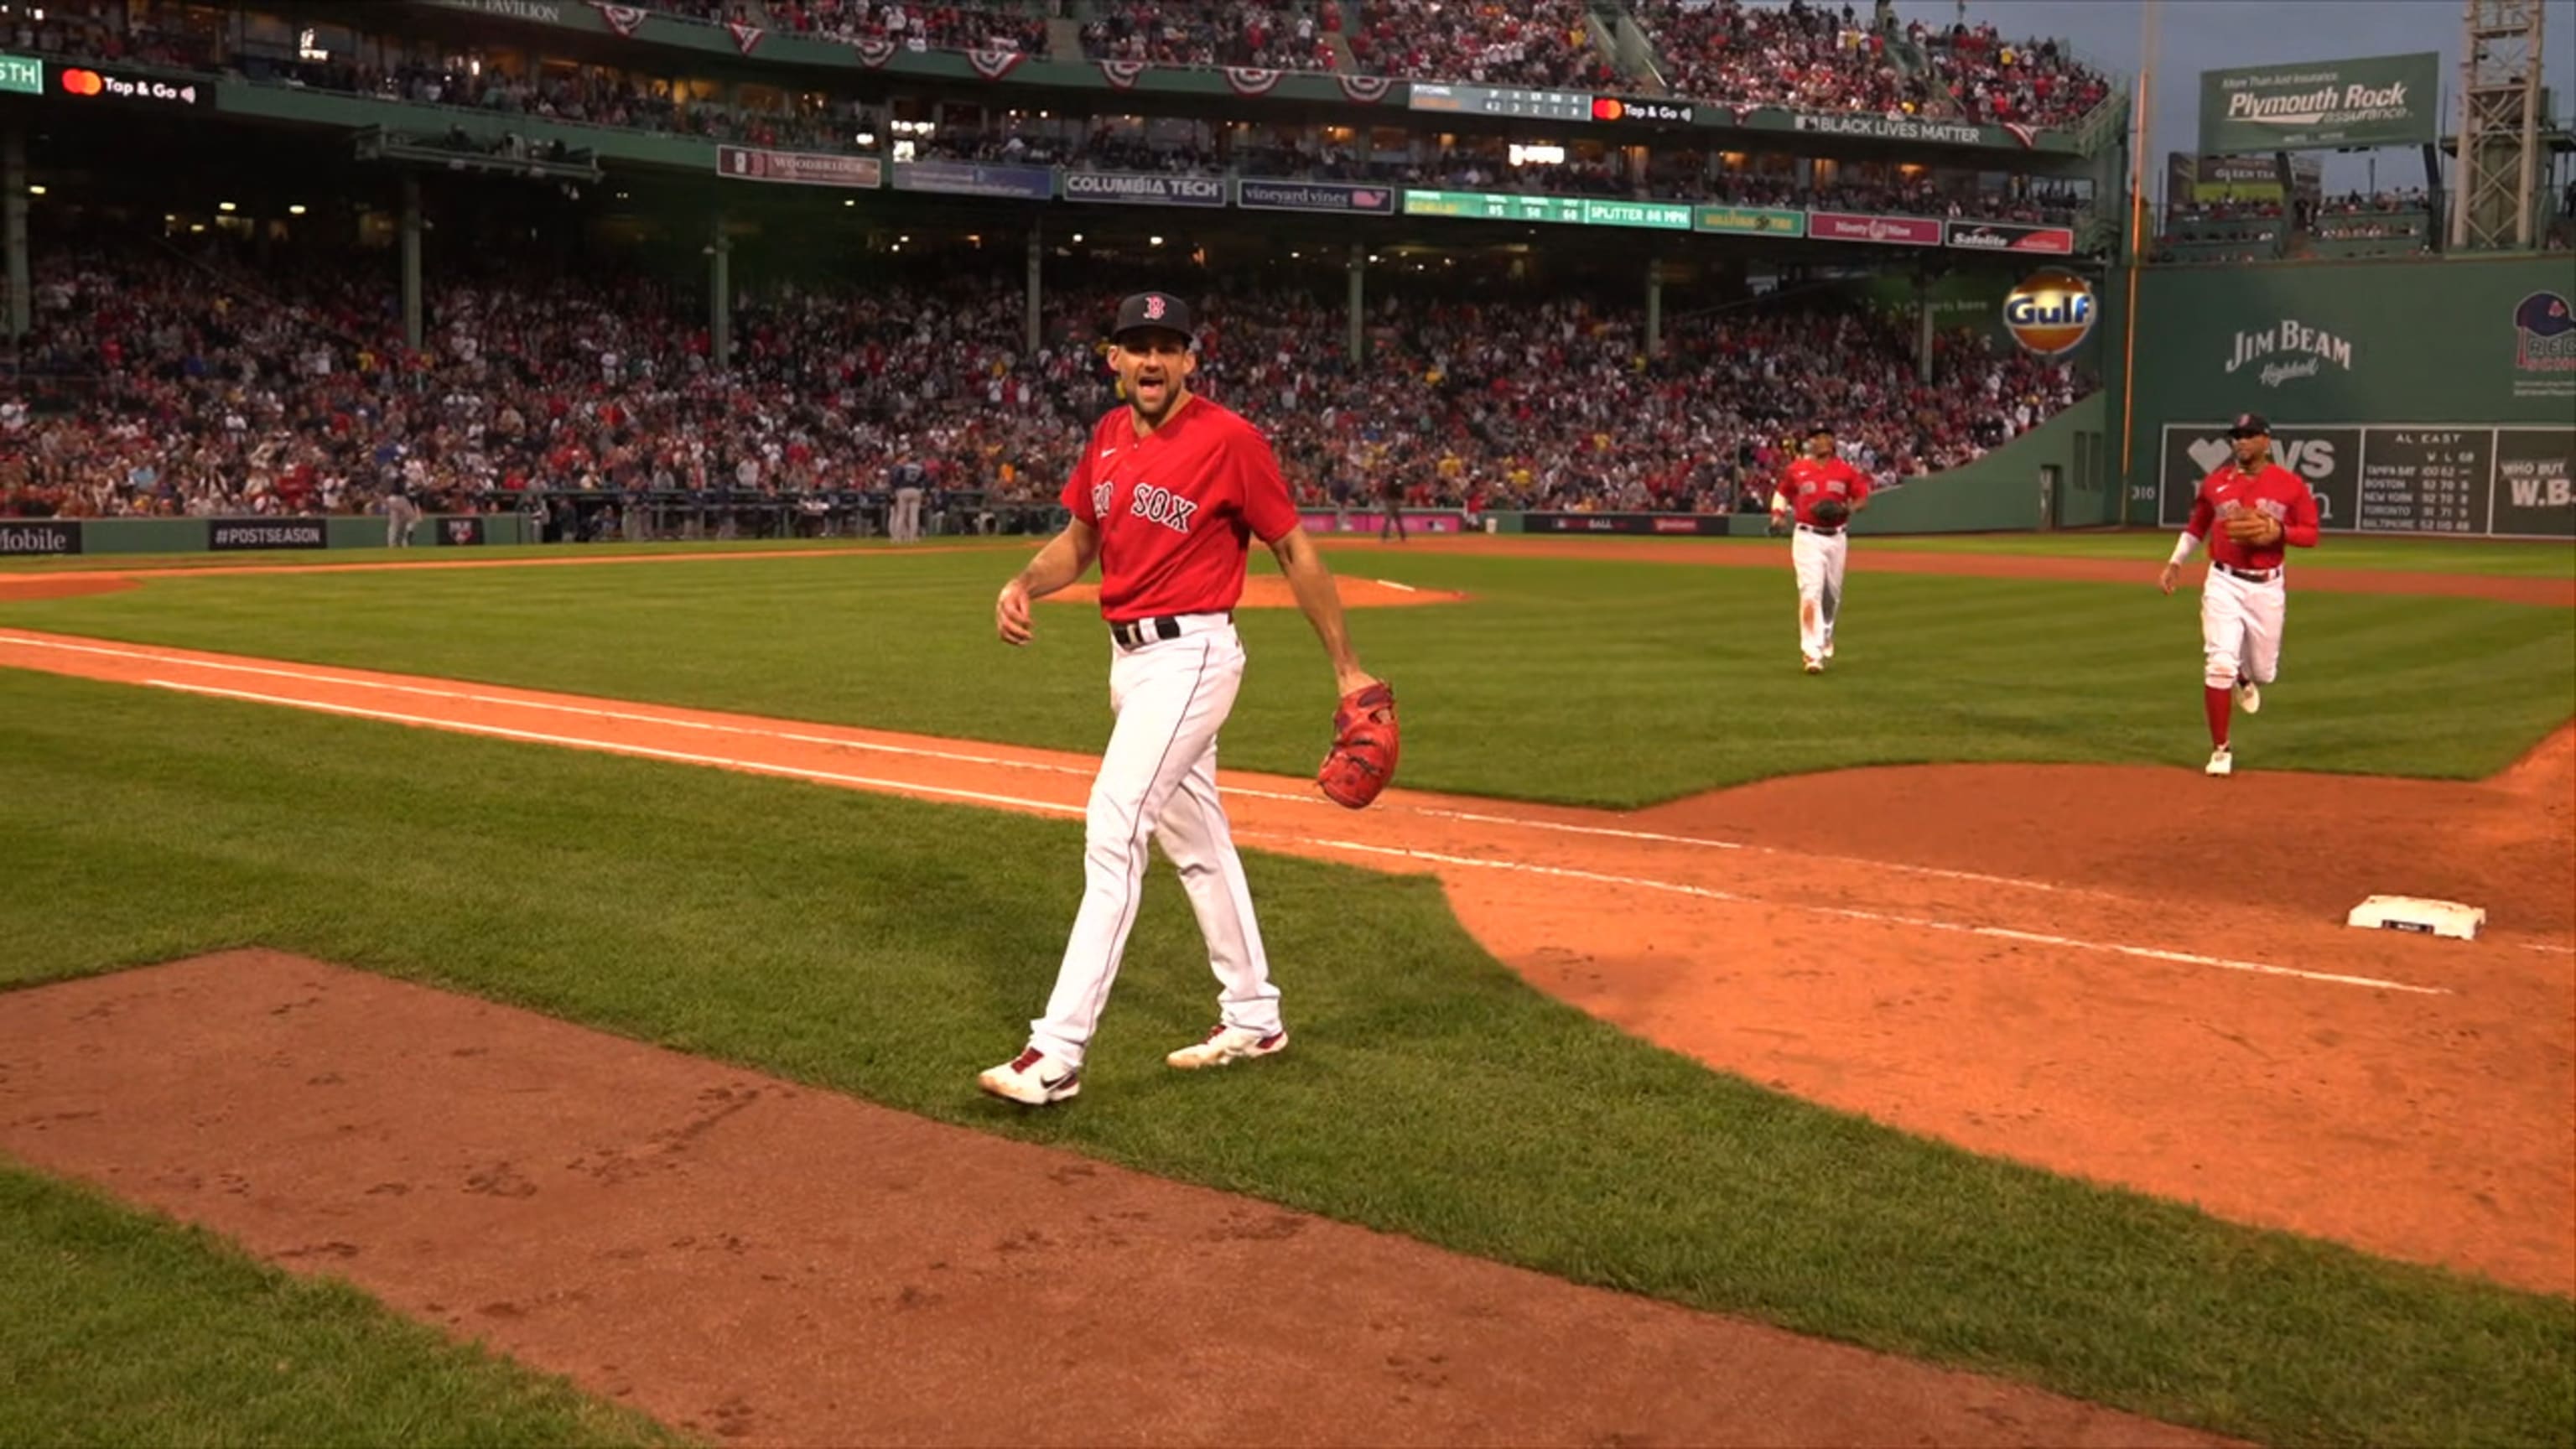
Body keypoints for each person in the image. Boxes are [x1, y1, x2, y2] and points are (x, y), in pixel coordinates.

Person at [980, 291, 1382, 1106]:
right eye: (1138, 346)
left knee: (1114, 825)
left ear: (1192, 359)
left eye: (1169, 346)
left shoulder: (1231, 440)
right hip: (1130, 665)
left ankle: (1056, 1051)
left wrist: (1348, 669)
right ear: (1114, 360)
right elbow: (1082, 540)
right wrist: (1026, 580)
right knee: (1197, 843)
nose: (1153, 360)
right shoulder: (1106, 438)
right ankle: (1253, 1014)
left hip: (1194, 654)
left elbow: (1294, 547)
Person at [2158, 412, 2319, 777]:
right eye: (2236, 435)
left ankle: (2245, 678)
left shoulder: (2290, 484)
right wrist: (2175, 563)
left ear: (2266, 440)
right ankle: (2221, 750)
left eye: (2249, 435)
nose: (2241, 441)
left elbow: (2310, 533)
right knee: (2218, 664)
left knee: (2264, 673)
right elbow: (2198, 524)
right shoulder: (2215, 483)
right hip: (2223, 581)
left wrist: (2280, 531)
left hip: (2267, 586)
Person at [1770, 422, 1870, 673]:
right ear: (1811, 443)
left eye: (1826, 436)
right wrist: (1778, 515)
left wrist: (1847, 509)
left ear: (1833, 441)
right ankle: (1812, 654)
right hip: (1807, 537)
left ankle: (1824, 636)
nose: (1821, 440)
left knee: (1831, 596)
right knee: (1810, 592)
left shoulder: (1846, 471)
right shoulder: (1797, 469)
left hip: (1837, 538)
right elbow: (1781, 493)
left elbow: (1862, 498)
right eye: (1817, 437)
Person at [888, 457, 926, 544]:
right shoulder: (920, 468)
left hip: (904, 489)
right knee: (914, 515)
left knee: (901, 515)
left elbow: (896, 479)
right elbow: (925, 480)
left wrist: (895, 490)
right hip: (916, 490)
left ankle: (897, 538)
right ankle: (912, 538)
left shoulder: (903, 467)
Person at [1379, 472, 1406, 543]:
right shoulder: (1395, 479)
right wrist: (1402, 498)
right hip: (1393, 500)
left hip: (1392, 501)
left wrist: (1401, 498)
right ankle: (1403, 535)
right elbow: (1400, 488)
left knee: (1388, 519)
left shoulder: (1395, 479)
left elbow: (1399, 488)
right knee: (1397, 519)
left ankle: (1384, 536)